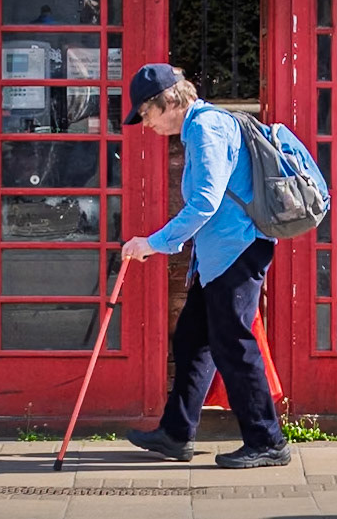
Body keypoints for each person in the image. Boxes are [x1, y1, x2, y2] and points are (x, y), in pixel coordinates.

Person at [119, 63, 290, 469]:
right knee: (193, 339)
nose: (145, 125)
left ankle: (268, 441)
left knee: (234, 345)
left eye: (145, 114)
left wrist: (154, 243)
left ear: (168, 102)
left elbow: (205, 202)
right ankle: (176, 433)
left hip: (236, 251)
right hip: (218, 256)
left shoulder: (204, 128)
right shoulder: (205, 126)